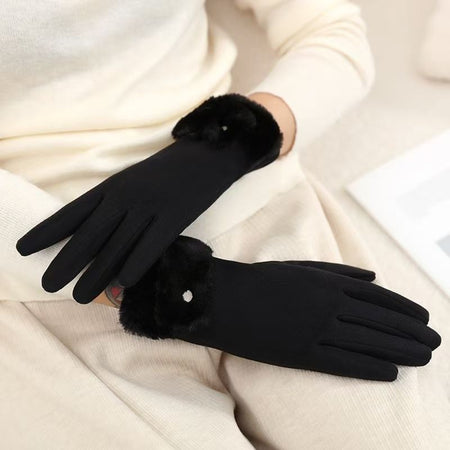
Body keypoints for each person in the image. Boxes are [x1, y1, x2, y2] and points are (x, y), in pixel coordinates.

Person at [0, 0, 448, 448]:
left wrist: (230, 144)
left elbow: (332, 32)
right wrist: (184, 292)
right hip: (51, 280)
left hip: (256, 212)